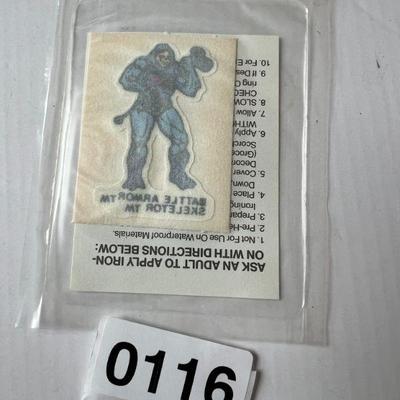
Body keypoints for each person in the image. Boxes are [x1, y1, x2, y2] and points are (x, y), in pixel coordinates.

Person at [114, 43, 214, 191]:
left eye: (168, 58)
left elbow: (190, 90)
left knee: (181, 139)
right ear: (155, 55)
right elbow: (125, 80)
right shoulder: (143, 63)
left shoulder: (175, 68)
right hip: (143, 106)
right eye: (162, 57)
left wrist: (189, 67)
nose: (165, 60)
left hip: (164, 107)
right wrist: (145, 83)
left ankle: (177, 175)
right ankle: (133, 178)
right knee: (139, 142)